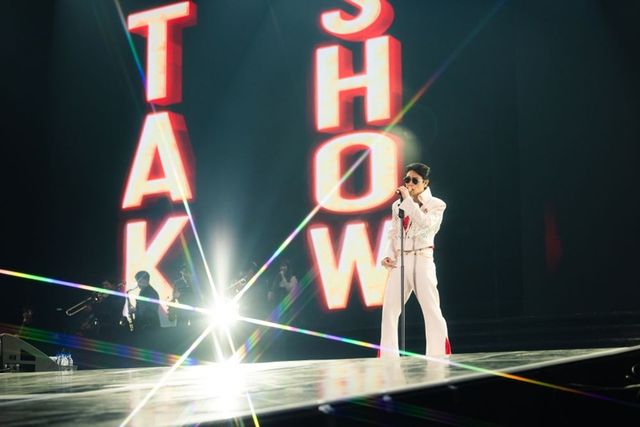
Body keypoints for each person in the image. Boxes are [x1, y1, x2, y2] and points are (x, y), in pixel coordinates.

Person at [379, 163, 451, 357]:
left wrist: (408, 202)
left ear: (425, 183)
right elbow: (393, 233)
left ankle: (438, 353)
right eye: (407, 180)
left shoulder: (436, 204)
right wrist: (388, 255)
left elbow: (425, 224)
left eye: (414, 180)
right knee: (389, 308)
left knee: (430, 308)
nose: (409, 184)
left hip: (422, 258)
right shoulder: (397, 205)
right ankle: (388, 356)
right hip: (401, 260)